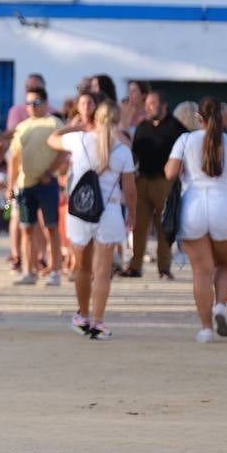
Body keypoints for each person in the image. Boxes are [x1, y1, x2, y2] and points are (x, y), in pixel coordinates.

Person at [49, 98, 135, 339]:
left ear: (96, 118)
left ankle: (82, 316)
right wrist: (133, 215)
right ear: (118, 122)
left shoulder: (79, 140)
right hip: (109, 211)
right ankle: (98, 321)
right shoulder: (123, 150)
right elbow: (130, 190)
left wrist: (75, 126)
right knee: (102, 271)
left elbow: (52, 139)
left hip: (80, 210)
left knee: (82, 268)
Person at [164, 97, 227, 343]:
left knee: (202, 272)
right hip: (225, 205)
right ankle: (220, 306)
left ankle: (206, 328)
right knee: (226, 264)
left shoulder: (185, 140)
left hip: (194, 205)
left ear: (199, 118)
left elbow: (170, 173)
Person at [8, 87, 65, 287]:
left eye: (36, 103)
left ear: (45, 103)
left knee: (51, 228)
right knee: (27, 229)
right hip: (25, 185)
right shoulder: (22, 127)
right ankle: (28, 271)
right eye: (29, 103)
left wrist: (51, 173)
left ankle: (55, 270)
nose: (32, 107)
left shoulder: (54, 123)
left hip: (47, 185)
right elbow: (14, 158)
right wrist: (10, 184)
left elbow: (63, 153)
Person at [127, 90, 186, 278]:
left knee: (164, 226)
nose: (148, 107)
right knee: (139, 225)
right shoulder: (142, 127)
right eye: (147, 104)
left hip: (164, 182)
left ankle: (164, 267)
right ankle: (135, 265)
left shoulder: (176, 128)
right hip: (142, 180)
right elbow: (134, 152)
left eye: (152, 103)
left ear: (164, 105)